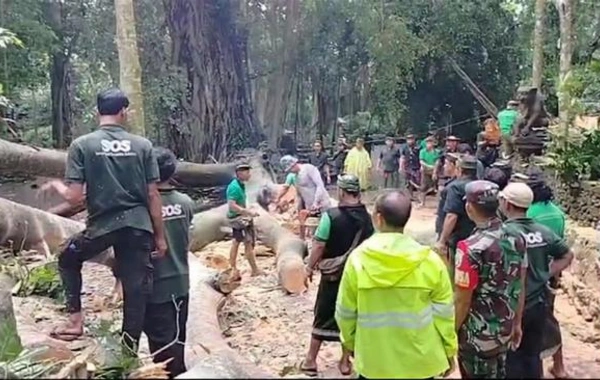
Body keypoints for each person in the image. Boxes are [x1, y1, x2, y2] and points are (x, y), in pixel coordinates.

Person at [45, 89, 167, 354]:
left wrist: (56, 185)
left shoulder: (82, 145)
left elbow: (75, 197)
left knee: (68, 256)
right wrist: (160, 236)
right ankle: (127, 352)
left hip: (102, 226)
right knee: (136, 290)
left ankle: (75, 321)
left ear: (97, 112)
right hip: (137, 226)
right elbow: (152, 194)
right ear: (123, 111)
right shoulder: (142, 145)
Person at [336, 191, 457, 379]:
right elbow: (444, 314)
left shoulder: (358, 260)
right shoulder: (430, 261)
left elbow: (345, 312)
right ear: (406, 219)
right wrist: (449, 350)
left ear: (378, 218)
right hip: (420, 362)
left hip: (374, 361)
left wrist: (349, 345)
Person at [301, 175, 374, 377]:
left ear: (341, 191)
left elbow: (319, 244)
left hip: (333, 276)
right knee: (351, 316)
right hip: (358, 275)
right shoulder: (367, 218)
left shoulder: (331, 216)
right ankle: (344, 362)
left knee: (323, 313)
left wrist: (309, 268)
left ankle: (310, 360)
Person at [499, 182, 574, 379]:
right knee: (533, 355)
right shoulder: (541, 231)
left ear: (507, 204)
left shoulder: (504, 233)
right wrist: (544, 273)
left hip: (512, 305)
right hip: (539, 302)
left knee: (511, 357)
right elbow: (567, 255)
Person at [454, 180, 528, 378]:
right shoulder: (517, 238)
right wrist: (517, 323)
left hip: (477, 337)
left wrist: (451, 331)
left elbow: (462, 299)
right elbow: (520, 284)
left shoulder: (470, 248)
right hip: (505, 330)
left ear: (469, 207)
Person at [145, 147, 195, 378]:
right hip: (181, 280)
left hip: (156, 284)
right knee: (178, 336)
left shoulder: (143, 207)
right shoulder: (185, 202)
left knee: (161, 347)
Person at [525, 168, 569, 378]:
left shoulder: (528, 215)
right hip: (551, 275)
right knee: (550, 318)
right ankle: (558, 365)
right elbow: (561, 247)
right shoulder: (557, 212)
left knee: (530, 323)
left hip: (532, 276)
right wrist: (549, 272)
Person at [435, 156, 478, 277]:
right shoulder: (480, 184)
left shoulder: (455, 187)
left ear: (459, 169)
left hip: (458, 236)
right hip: (475, 234)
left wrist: (442, 240)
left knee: (457, 272)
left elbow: (451, 216)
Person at [277, 155, 330, 239]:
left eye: (290, 169)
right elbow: (300, 195)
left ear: (294, 164)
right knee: (315, 232)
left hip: (321, 203)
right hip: (311, 208)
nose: (291, 171)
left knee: (325, 228)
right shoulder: (295, 177)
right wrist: (299, 208)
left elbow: (319, 185)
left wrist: (316, 202)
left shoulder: (308, 169)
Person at [226, 163, 262, 279]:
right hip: (237, 219)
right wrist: (248, 212)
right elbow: (232, 205)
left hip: (240, 216)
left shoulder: (241, 185)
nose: (249, 174)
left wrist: (247, 209)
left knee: (241, 242)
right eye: (247, 172)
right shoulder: (234, 187)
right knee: (243, 243)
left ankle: (237, 268)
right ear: (240, 174)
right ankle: (248, 270)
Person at [435, 152, 459, 238]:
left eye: (446, 164)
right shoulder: (450, 183)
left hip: (450, 231)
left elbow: (451, 215)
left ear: (453, 166)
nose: (444, 166)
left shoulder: (454, 187)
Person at [418, 136, 440, 207]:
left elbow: (437, 162)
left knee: (437, 188)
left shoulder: (437, 152)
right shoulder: (422, 151)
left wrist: (434, 172)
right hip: (425, 171)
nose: (428, 144)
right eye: (427, 142)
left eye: (430, 142)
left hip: (435, 171)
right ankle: (422, 203)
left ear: (433, 143)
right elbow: (421, 161)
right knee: (423, 187)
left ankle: (438, 204)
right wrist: (429, 166)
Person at [400, 134, 421, 199]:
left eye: (411, 139)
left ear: (414, 140)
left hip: (417, 167)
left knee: (418, 182)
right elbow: (402, 157)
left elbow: (421, 157)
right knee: (409, 182)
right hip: (408, 167)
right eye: (408, 139)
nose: (410, 141)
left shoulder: (418, 147)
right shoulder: (404, 148)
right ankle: (410, 196)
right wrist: (401, 166)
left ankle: (419, 196)